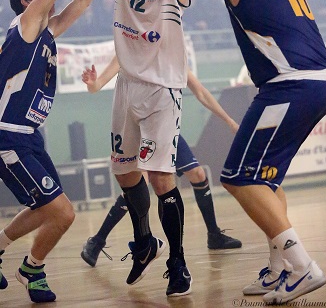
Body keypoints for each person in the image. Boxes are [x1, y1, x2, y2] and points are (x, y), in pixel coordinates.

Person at [95, 0, 326, 305]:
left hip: (288, 84)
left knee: (238, 178)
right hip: (316, 81)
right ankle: (278, 268)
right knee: (266, 182)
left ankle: (302, 264)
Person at [69, 0, 192, 297]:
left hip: (163, 87)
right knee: (123, 172)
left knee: (160, 177)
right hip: (127, 85)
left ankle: (178, 262)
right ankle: (145, 241)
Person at [0, 0, 104, 302]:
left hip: (30, 137)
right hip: (8, 136)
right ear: (28, 4)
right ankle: (32, 268)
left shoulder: (46, 32)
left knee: (45, 208)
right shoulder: (25, 27)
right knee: (62, 212)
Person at [79, 54, 241, 267]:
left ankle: (214, 235)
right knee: (140, 183)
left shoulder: (172, 53)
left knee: (198, 174)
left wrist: (228, 120)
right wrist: (93, 84)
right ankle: (97, 240)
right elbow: (98, 84)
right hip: (137, 126)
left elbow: (200, 91)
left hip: (164, 127)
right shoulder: (129, 48)